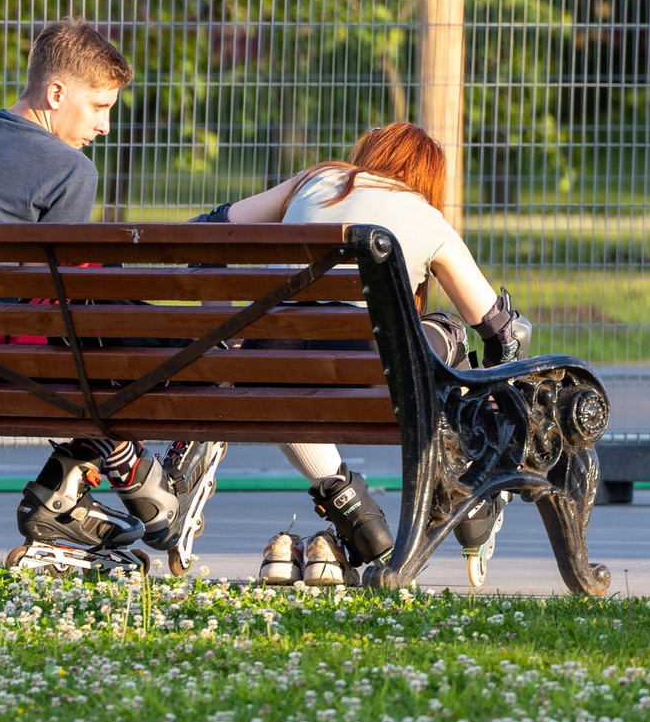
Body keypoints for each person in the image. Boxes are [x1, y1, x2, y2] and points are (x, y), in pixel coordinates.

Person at [0, 21, 197, 572]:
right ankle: (126, 465)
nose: (103, 126)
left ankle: (106, 472)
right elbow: (63, 302)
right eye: (98, 106)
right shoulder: (70, 169)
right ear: (56, 94)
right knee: (114, 313)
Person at [206, 122, 532, 584]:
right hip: (377, 368)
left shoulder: (315, 180)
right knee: (449, 332)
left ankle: (351, 507)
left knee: (280, 383)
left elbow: (211, 227)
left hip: (269, 362)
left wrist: (224, 329)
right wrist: (498, 394)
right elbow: (503, 332)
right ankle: (468, 489)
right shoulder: (426, 216)